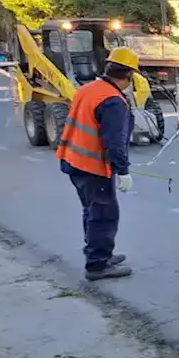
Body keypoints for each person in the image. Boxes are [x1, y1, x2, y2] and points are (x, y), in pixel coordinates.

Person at [56, 47, 139, 281]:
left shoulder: (89, 89)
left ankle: (99, 253)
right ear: (129, 76)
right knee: (104, 213)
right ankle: (97, 264)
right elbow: (115, 142)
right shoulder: (113, 100)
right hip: (92, 166)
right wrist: (123, 171)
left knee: (91, 210)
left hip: (73, 160)